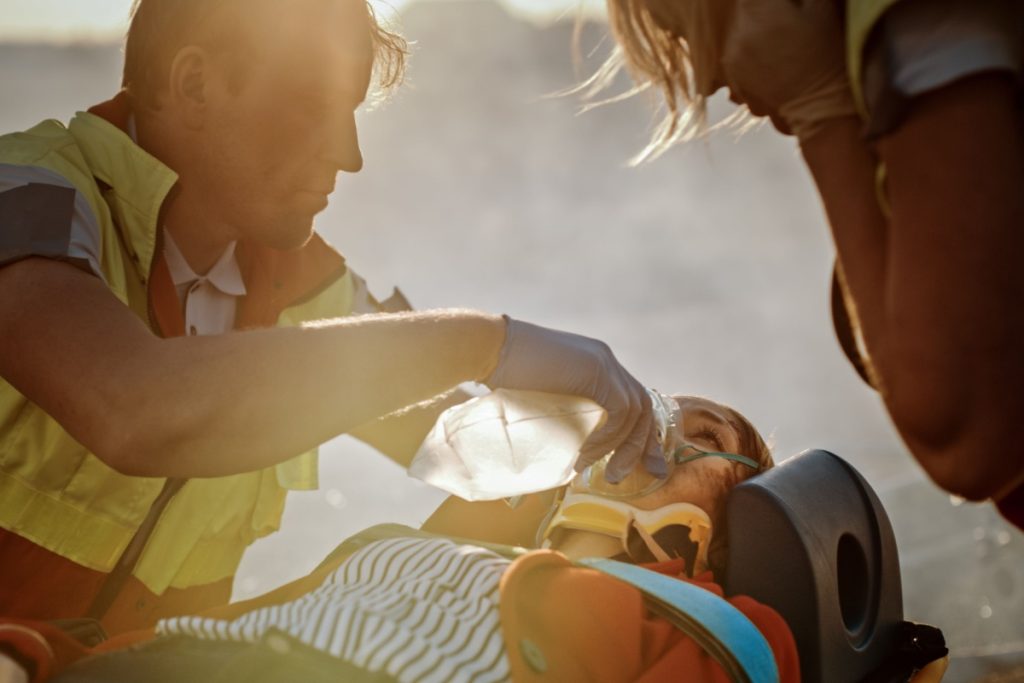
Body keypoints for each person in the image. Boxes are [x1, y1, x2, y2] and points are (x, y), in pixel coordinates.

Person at [0, 0, 668, 634]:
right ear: (195, 84)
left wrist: (642, 444)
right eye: (312, 108)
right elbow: (134, 407)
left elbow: (457, 442)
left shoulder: (311, 288)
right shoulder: (24, 191)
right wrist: (488, 341)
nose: (350, 155)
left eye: (351, 113)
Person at [0, 395, 801, 683]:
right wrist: (36, 655)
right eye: (648, 419)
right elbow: (187, 643)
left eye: (699, 432)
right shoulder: (390, 544)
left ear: (741, 509)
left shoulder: (726, 630)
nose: (658, 438)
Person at [593, 0, 1024, 529]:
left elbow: (964, 442)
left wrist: (819, 110)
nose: (703, 79)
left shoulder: (922, 21)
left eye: (686, 31)